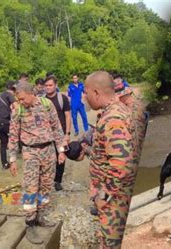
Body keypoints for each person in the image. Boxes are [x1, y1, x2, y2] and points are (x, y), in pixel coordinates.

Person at [7, 82, 67, 244]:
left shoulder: (47, 105)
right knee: (31, 187)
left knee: (46, 185)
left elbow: (57, 127)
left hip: (48, 150)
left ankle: (40, 216)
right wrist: (12, 159)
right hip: (30, 152)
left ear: (31, 93)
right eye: (18, 99)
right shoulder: (17, 109)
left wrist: (61, 150)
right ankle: (30, 223)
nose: (21, 102)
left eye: (22, 98)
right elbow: (12, 135)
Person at [84, 71, 137, 248]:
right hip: (115, 197)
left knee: (110, 242)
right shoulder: (116, 110)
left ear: (96, 93)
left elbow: (121, 164)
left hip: (114, 201)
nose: (84, 96)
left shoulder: (113, 118)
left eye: (86, 92)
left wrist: (103, 196)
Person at [43, 75, 72, 191]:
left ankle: (58, 181)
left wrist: (67, 134)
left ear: (55, 85)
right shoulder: (42, 101)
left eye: (50, 85)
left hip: (62, 134)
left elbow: (68, 116)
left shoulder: (62, 99)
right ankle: (47, 180)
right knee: (48, 159)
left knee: (61, 157)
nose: (48, 87)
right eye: (46, 85)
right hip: (47, 136)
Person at [0, 80, 16, 170]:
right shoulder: (9, 95)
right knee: (17, 134)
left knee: (3, 142)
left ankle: (5, 164)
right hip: (3, 121)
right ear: (13, 88)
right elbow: (16, 106)